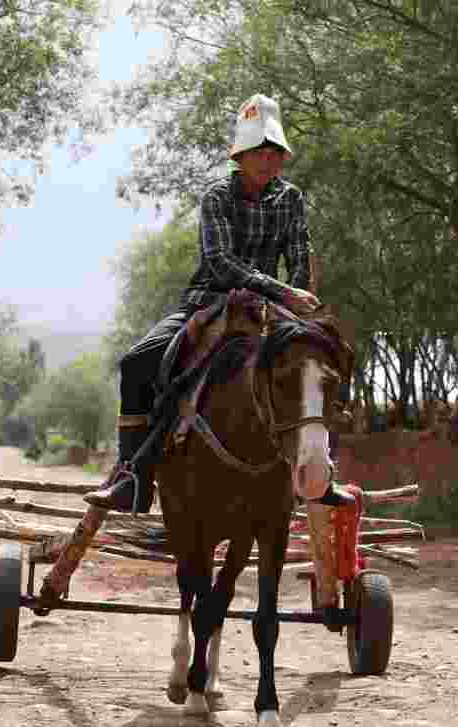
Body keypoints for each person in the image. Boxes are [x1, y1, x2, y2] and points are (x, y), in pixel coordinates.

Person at [85, 94, 348, 513]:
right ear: (240, 155)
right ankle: (132, 478)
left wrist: (297, 306)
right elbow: (221, 263)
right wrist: (282, 292)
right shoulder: (216, 197)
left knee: (320, 364)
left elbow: (299, 256)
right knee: (137, 364)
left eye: (275, 152)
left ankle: (321, 472)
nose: (268, 160)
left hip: (273, 314)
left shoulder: (291, 199)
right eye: (259, 152)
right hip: (209, 303)